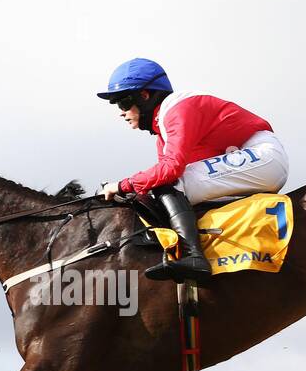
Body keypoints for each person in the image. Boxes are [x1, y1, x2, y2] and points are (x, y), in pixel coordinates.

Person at [99, 58, 289, 283]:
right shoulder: (162, 130)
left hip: (264, 156)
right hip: (251, 158)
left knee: (169, 184)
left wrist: (122, 185)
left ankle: (193, 256)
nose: (121, 112)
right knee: (164, 189)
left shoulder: (177, 109)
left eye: (123, 103)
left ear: (145, 96)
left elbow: (170, 171)